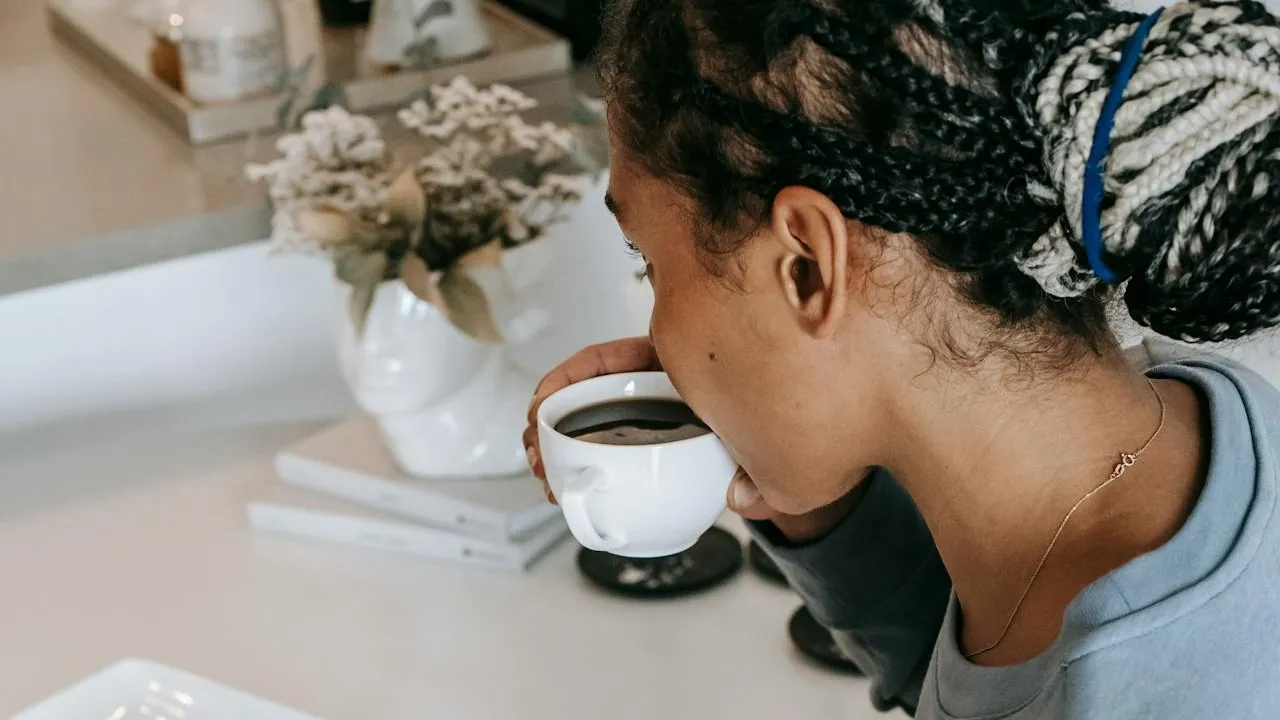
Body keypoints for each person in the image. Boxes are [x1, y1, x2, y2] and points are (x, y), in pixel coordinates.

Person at [524, 0, 1280, 717]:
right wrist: (813, 500)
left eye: (649, 262)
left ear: (806, 268)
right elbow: (999, 685)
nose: (657, 334)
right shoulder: (1225, 418)